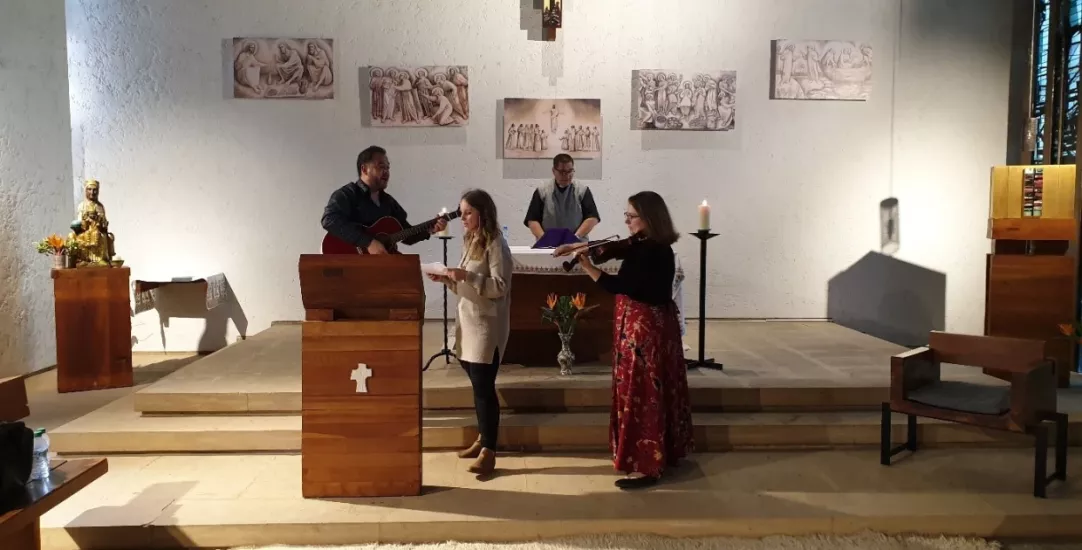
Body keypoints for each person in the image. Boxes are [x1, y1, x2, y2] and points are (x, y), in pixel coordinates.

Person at [554, 191, 693, 489]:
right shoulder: (645, 244)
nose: (627, 221)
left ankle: (647, 465)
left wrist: (588, 268)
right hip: (646, 327)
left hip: (644, 333)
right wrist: (579, 246)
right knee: (642, 389)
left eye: (632, 216)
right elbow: (616, 247)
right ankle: (657, 453)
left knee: (642, 391)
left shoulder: (651, 251)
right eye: (627, 215)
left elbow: (623, 285)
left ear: (649, 218)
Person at [427, 189, 513, 475]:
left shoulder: (495, 243)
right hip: (468, 323)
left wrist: (467, 276)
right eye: (461, 212)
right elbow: (467, 285)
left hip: (486, 326)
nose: (461, 217)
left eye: (467, 212)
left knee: (484, 389)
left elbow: (499, 287)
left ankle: (490, 450)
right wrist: (448, 280)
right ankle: (483, 438)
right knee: (478, 389)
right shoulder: (471, 240)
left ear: (482, 213)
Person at [321, 146, 447, 254]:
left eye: (388, 168)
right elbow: (329, 220)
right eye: (381, 167)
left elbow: (406, 235)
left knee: (410, 269)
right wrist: (368, 242)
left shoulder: (389, 202)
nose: (386, 172)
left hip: (381, 266)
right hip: (350, 263)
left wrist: (430, 229)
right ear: (364, 169)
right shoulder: (347, 194)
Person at [523, 154, 600, 242]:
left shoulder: (582, 190)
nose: (566, 176)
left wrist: (575, 237)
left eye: (569, 171)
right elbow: (532, 220)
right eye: (562, 172)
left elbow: (592, 218)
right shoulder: (542, 191)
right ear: (553, 171)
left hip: (576, 244)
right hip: (548, 246)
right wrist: (544, 240)